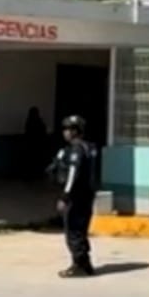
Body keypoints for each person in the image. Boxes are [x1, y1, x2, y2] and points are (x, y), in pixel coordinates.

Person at [51, 115, 98, 278]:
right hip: (87, 194)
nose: (65, 132)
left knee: (73, 230)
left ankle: (79, 265)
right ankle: (85, 264)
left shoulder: (76, 149)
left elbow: (73, 174)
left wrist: (65, 196)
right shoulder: (89, 147)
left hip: (77, 196)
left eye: (68, 129)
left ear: (75, 131)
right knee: (80, 230)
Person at [24, 107, 47, 180]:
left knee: (31, 160)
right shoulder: (39, 121)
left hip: (30, 144)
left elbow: (27, 133)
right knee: (38, 160)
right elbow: (43, 132)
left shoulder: (29, 121)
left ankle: (31, 175)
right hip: (38, 144)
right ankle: (38, 175)